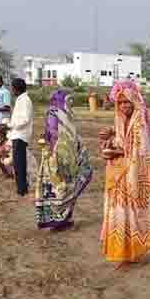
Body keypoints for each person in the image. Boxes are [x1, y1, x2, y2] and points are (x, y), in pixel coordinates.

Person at [99, 80, 150, 270]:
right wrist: (108, 142)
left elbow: (140, 151)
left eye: (128, 102)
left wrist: (116, 152)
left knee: (131, 214)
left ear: (135, 101)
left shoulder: (138, 122)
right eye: (121, 102)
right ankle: (122, 252)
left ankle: (132, 254)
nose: (124, 105)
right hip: (119, 175)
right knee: (120, 214)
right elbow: (121, 144)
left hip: (132, 174)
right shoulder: (119, 121)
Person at [34, 90, 93, 231]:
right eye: (68, 100)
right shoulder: (56, 113)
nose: (70, 103)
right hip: (60, 157)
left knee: (62, 186)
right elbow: (56, 134)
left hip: (63, 155)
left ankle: (62, 218)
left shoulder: (63, 114)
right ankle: (60, 219)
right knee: (63, 186)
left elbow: (65, 135)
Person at [7, 78, 33, 198]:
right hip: (17, 134)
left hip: (20, 134)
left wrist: (12, 124)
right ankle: (21, 187)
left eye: (12, 87)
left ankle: (22, 189)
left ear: (16, 88)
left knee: (19, 163)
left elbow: (25, 119)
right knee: (18, 163)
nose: (11, 90)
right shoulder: (21, 99)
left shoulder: (25, 100)